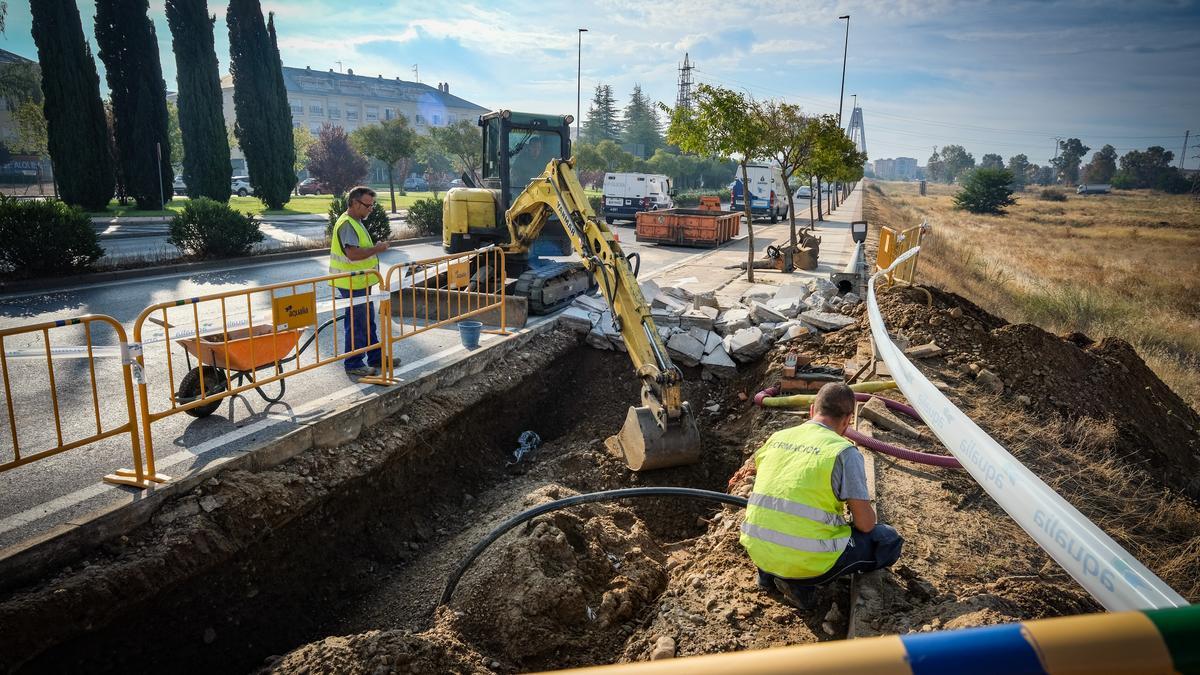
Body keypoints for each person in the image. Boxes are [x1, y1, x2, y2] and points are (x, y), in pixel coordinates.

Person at [740, 382, 903, 609]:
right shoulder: (843, 452)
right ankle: (800, 586)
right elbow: (865, 524)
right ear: (848, 420)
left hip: (758, 551)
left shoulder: (777, 437)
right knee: (888, 539)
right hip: (809, 564)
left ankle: (768, 575)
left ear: (811, 410)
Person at [328, 186, 399, 378]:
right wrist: (377, 249)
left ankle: (375, 357)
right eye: (368, 205)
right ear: (354, 203)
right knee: (357, 323)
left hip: (360, 282)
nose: (370, 209)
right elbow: (353, 254)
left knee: (367, 321)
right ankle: (353, 363)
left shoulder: (356, 222)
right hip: (351, 283)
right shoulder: (347, 224)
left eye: (372, 206)